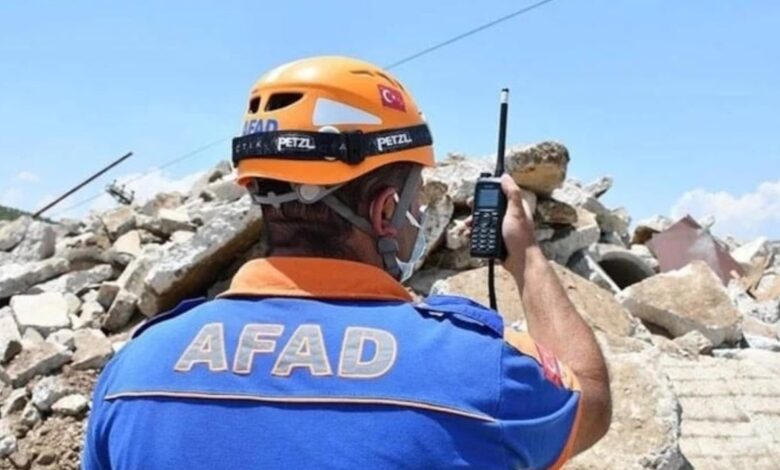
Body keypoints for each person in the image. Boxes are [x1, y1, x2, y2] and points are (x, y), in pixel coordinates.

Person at [83, 56, 611, 470]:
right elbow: (590, 398)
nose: (419, 214)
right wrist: (526, 255)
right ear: (384, 210)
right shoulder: (480, 371)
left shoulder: (134, 371)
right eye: (416, 197)